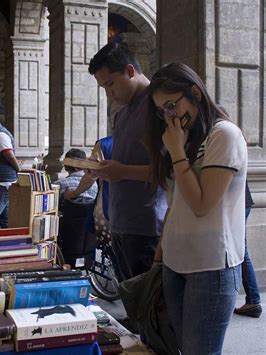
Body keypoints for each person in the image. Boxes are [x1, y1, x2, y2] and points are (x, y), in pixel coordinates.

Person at [145, 62, 247, 355]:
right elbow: (175, 204)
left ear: (195, 93)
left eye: (172, 105)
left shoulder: (223, 135)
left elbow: (202, 205)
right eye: (162, 110)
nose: (170, 116)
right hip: (175, 261)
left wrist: (176, 152)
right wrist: (159, 258)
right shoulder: (187, 140)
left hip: (211, 266)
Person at [87, 42, 167, 282]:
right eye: (103, 87)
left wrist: (122, 172)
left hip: (146, 227)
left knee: (149, 311)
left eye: (110, 84)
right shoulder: (122, 113)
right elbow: (123, 164)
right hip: (120, 223)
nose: (108, 93)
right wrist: (105, 170)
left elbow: (170, 171)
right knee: (132, 306)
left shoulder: (158, 106)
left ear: (130, 71)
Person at [234, 182, 262, 318]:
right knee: (241, 251)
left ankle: (253, 300)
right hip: (241, 202)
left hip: (237, 204)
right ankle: (253, 299)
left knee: (241, 252)